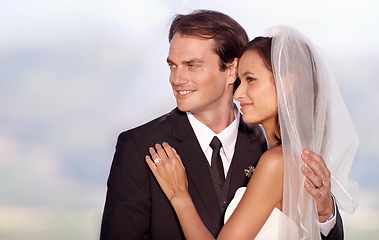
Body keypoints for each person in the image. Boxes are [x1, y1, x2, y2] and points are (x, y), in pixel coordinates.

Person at [100, 10, 345, 239]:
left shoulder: (270, 152)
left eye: (192, 65)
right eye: (172, 66)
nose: (176, 79)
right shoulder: (140, 146)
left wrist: (326, 214)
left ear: (231, 70)